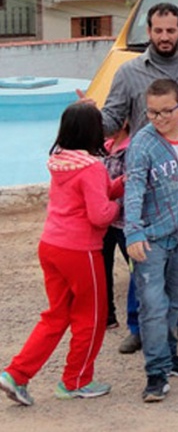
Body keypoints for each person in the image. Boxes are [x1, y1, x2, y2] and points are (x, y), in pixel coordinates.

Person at [93, 2, 178, 353]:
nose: (164, 37)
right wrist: (86, 118)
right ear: (148, 31)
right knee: (143, 259)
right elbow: (112, 119)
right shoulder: (128, 73)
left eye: (171, 30)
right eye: (158, 30)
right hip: (147, 185)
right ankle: (138, 326)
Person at [0, 104, 121, 406]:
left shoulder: (60, 161)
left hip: (52, 245)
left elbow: (97, 191)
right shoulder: (92, 167)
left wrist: (122, 184)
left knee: (56, 315)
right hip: (81, 251)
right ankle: (76, 381)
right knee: (91, 317)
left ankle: (16, 374)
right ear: (94, 131)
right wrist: (120, 206)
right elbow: (99, 214)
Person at [122, 78, 178, 402]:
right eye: (152, 113)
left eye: (166, 112)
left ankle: (170, 353)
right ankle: (156, 372)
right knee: (152, 304)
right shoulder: (142, 144)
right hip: (151, 239)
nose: (159, 119)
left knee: (176, 298)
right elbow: (133, 189)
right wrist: (133, 231)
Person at [100, 121, 131, 331]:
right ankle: (107, 314)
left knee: (137, 268)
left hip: (125, 220)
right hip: (104, 220)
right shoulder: (105, 146)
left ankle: (142, 320)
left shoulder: (131, 149)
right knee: (103, 268)